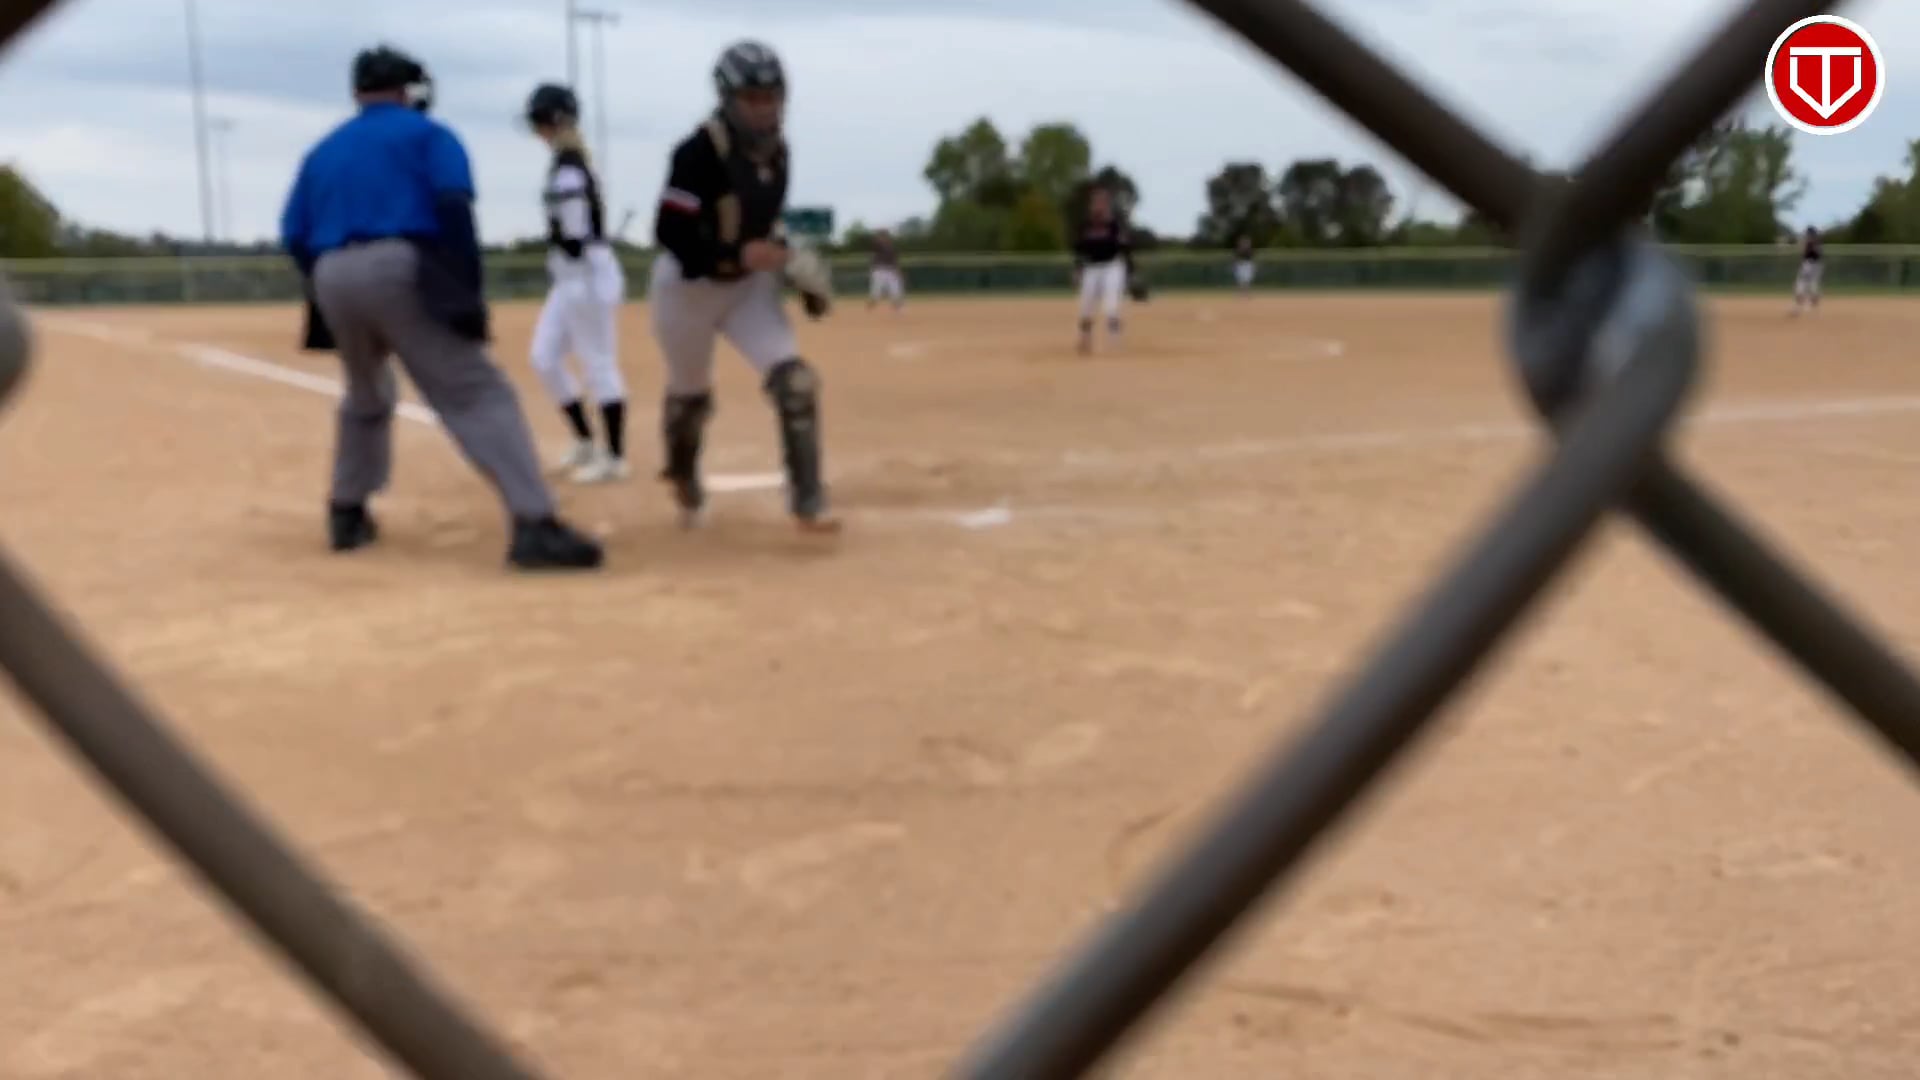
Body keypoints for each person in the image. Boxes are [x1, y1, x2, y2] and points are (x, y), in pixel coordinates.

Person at [280, 45, 602, 570]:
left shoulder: (323, 151)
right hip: (400, 265)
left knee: (366, 393)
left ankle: (347, 513)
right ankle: (534, 522)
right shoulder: (429, 135)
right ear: (407, 90)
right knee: (476, 391)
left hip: (331, 273)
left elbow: (294, 233)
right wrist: (464, 296)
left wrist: (327, 282)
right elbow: (453, 209)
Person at [648, 40, 838, 532]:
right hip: (688, 289)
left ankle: (808, 500)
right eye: (752, 98)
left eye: (771, 97)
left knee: (795, 382)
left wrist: (788, 265)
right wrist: (732, 255)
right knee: (690, 395)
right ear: (728, 99)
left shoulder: (779, 155)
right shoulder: (697, 153)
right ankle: (683, 474)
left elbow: (763, 227)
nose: (763, 109)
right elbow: (670, 232)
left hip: (746, 290)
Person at [523, 82, 629, 484]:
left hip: (585, 274)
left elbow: (574, 236)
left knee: (598, 361)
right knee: (544, 357)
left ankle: (614, 457)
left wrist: (574, 272)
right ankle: (585, 439)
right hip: (570, 276)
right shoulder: (564, 165)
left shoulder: (569, 170)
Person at [1072, 186, 1132, 354]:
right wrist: (1077, 269)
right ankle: (1085, 339)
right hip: (1091, 268)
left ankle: (1115, 340)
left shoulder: (1114, 225)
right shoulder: (1085, 225)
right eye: (1096, 203)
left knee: (1111, 306)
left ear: (1107, 205)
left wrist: (1130, 271)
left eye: (1102, 203)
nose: (1098, 206)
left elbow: (1125, 248)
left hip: (1112, 267)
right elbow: (1079, 250)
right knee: (1086, 306)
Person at [868, 228, 905, 311]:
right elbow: (874, 248)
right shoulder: (877, 246)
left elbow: (895, 261)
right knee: (877, 290)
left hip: (891, 270)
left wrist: (898, 271)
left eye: (884, 236)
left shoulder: (892, 248)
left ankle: (897, 305)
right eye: (881, 236)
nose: (883, 238)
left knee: (895, 288)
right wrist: (872, 270)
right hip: (879, 270)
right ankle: (872, 303)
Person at [1792, 225, 1823, 316]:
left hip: (1809, 265)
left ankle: (1800, 305)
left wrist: (1804, 244)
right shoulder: (1816, 242)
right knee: (1812, 284)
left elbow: (1807, 253)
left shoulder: (1811, 243)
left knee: (1801, 284)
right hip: (1815, 265)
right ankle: (1812, 300)